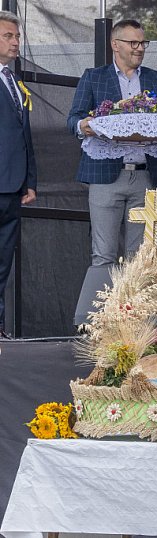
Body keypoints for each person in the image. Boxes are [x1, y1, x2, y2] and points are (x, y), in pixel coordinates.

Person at [67, 19, 157, 267]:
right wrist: (84, 126)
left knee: (139, 258)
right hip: (105, 176)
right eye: (133, 42)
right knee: (103, 254)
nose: (139, 48)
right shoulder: (93, 77)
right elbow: (73, 119)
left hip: (145, 177)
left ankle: (134, 306)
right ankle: (107, 306)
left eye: (143, 42)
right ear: (115, 45)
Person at [0, 10, 36, 339]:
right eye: (8, 36)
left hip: (12, 186)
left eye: (17, 36)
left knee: (3, 262)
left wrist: (30, 181)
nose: (15, 41)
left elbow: (24, 136)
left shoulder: (12, 79)